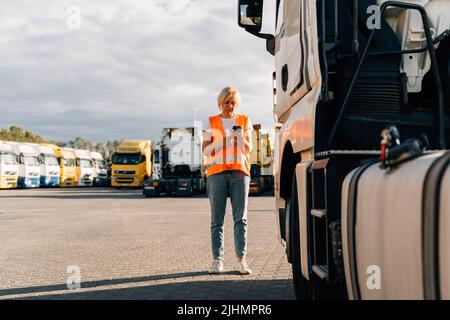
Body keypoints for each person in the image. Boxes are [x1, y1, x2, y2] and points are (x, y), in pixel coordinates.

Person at [202, 86, 253, 275]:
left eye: (233, 103)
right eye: (226, 103)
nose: (230, 107)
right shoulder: (212, 121)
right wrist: (224, 141)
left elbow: (248, 148)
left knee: (241, 219)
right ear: (220, 103)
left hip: (240, 173)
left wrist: (239, 137)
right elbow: (206, 151)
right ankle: (218, 261)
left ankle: (242, 260)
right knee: (217, 220)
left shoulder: (244, 120)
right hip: (216, 174)